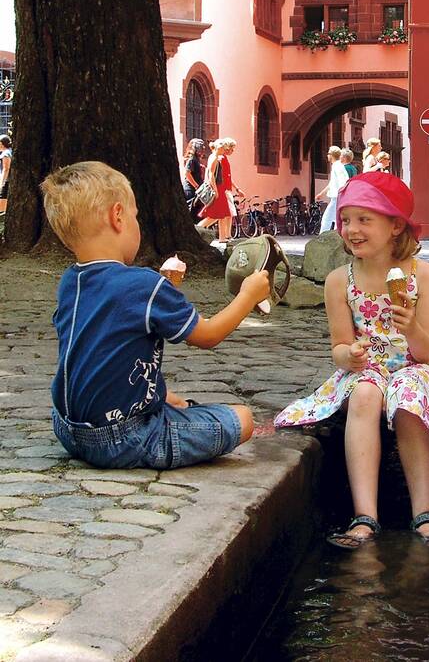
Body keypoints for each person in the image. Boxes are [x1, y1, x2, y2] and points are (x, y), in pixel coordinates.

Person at [275, 171, 429, 547]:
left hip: (418, 367)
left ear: (396, 225)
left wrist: (411, 325)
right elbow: (338, 347)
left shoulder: (425, 277)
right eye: (346, 219)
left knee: (408, 393)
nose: (352, 229)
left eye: (365, 219)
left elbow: (428, 352)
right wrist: (349, 355)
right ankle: (365, 516)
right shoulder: (340, 281)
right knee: (365, 394)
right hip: (368, 370)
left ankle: (425, 513)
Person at [39, 161, 271, 470]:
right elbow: (208, 335)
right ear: (117, 216)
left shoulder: (71, 281)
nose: (138, 225)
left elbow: (111, 337)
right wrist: (248, 295)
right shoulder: (143, 285)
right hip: (126, 437)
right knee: (242, 418)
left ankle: (160, 404)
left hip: (67, 428)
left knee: (171, 399)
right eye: (136, 217)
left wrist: (166, 287)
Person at [197, 137, 244, 242]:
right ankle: (197, 230)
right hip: (219, 188)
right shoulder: (216, 158)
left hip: (221, 188)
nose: (225, 151)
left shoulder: (217, 157)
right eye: (224, 148)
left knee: (221, 214)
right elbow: (211, 175)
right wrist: (215, 190)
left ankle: (222, 237)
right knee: (215, 214)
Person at [315, 145, 350, 233]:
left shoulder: (337, 166)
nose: (327, 156)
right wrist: (322, 193)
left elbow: (343, 181)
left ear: (331, 155)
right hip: (337, 197)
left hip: (337, 197)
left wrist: (341, 193)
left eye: (328, 154)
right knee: (335, 219)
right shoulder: (337, 165)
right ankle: (336, 237)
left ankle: (322, 238)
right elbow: (332, 183)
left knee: (327, 218)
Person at [182, 138, 205, 217]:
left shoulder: (196, 160)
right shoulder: (192, 159)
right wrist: (196, 185)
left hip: (195, 189)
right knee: (191, 210)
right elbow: (187, 173)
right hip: (190, 189)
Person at [0, 133, 11, 215]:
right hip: (9, 181)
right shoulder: (10, 151)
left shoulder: (5, 154)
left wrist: (2, 183)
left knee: (2, 200)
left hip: (6, 181)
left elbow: (6, 168)